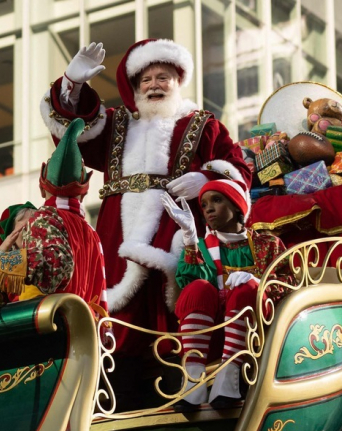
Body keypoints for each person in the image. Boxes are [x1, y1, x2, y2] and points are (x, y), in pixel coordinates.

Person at [41, 39, 250, 356]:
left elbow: (239, 171)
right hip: (118, 234)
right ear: (136, 86)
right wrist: (73, 84)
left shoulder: (204, 125)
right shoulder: (116, 124)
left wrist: (205, 179)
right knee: (114, 314)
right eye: (146, 79)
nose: (155, 85)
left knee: (175, 303)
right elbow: (73, 133)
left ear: (178, 81)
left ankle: (183, 372)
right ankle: (115, 375)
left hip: (177, 228)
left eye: (163, 77)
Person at [0, 118, 108, 312]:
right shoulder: (90, 233)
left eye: (32, 226)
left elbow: (56, 263)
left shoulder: (48, 220)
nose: (29, 229)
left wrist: (0, 264)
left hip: (55, 331)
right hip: (81, 332)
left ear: (42, 189)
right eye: (22, 226)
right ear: (84, 192)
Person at [165, 169, 288, 408]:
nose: (208, 208)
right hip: (211, 323)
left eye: (217, 200)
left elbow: (287, 284)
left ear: (236, 206)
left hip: (256, 326)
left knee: (244, 290)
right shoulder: (199, 247)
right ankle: (192, 382)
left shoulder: (267, 244)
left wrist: (256, 281)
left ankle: (229, 379)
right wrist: (190, 238)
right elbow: (190, 286)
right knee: (198, 288)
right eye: (204, 204)